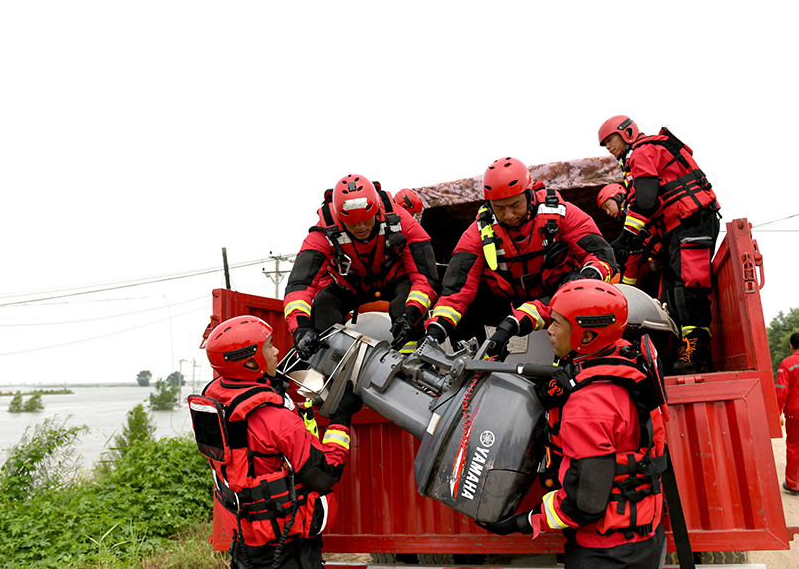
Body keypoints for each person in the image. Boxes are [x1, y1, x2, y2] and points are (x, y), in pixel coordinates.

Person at [478, 280, 667, 569]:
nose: (549, 331)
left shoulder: (589, 405)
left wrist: (523, 521)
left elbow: (586, 502)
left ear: (587, 334)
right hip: (644, 536)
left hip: (607, 554)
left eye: (556, 324)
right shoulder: (625, 356)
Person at [189, 315, 364, 569]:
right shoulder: (276, 418)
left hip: (245, 539)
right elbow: (325, 473)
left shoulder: (217, 400)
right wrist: (342, 417)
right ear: (250, 361)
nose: (277, 351)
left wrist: (270, 381)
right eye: (269, 346)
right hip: (286, 548)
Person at [424, 157, 616, 357]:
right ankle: (480, 363)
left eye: (515, 205)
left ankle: (571, 363)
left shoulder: (561, 213)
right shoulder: (479, 230)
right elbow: (457, 288)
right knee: (464, 306)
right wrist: (436, 331)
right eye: (499, 207)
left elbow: (602, 259)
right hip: (507, 300)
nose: (508, 215)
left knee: (580, 291)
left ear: (529, 194)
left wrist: (577, 289)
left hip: (557, 299)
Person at [599, 115, 720, 374]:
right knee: (672, 297)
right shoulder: (642, 157)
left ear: (627, 132)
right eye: (605, 143)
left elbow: (646, 201)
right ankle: (686, 353)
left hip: (691, 224)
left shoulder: (643, 152)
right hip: (678, 229)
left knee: (688, 291)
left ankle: (697, 357)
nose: (609, 147)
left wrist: (626, 238)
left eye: (611, 140)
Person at [284, 174, 439, 357]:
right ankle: (333, 369)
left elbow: (425, 277)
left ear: (376, 209)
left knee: (405, 303)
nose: (360, 227)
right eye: (352, 223)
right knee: (324, 305)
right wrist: (300, 328)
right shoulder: (323, 232)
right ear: (340, 218)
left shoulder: (400, 220)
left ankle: (413, 362)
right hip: (349, 286)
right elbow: (300, 285)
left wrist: (410, 315)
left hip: (392, 280)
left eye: (366, 219)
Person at [596, 183, 661, 293]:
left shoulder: (636, 207)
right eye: (604, 210)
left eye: (607, 206)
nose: (608, 212)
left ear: (618, 197)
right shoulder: (630, 215)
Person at [776, 332, 799, 495]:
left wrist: (776, 413)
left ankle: (793, 484)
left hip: (795, 413)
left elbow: (780, 392)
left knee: (794, 448)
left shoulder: (787, 363)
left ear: (791, 345)